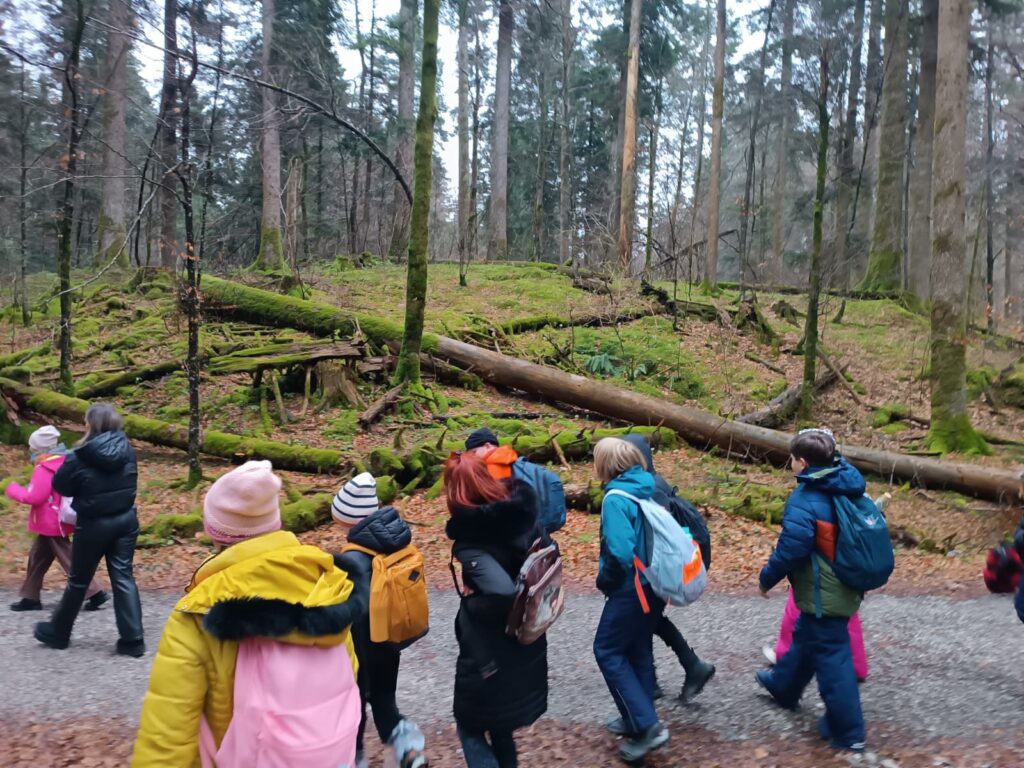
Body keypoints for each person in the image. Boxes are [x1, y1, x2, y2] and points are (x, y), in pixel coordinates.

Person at [132, 461, 367, 766]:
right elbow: (348, 673)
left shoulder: (199, 609)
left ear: (215, 533)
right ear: (274, 524)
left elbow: (167, 734)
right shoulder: (327, 583)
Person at [754, 428, 867, 752]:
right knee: (806, 635)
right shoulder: (846, 484)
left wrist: (766, 578)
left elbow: (792, 547)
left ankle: (849, 731)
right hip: (845, 582)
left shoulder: (806, 498)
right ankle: (784, 686)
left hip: (823, 591)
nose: (791, 464)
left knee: (833, 660)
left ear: (802, 463)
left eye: (792, 459)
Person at [445, 452, 548, 768]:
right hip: (526, 638)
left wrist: (471, 602)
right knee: (500, 727)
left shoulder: (471, 542)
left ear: (454, 494)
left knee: (470, 726)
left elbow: (502, 592)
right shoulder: (523, 515)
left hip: (489, 653)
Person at [332, 472, 429, 768]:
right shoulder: (392, 542)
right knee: (385, 701)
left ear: (349, 520)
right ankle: (410, 751)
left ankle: (354, 759)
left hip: (360, 648)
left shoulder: (350, 561)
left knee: (355, 709)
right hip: (388, 639)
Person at [33, 404, 144, 656]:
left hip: (94, 524)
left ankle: (58, 633)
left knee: (78, 580)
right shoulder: (127, 450)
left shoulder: (79, 455)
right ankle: (133, 640)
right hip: (126, 520)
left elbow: (62, 486)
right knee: (123, 576)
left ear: (91, 424)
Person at [620, 433, 715, 703]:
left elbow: (650, 538)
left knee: (643, 621)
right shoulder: (652, 482)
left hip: (654, 570)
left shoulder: (649, 489)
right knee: (649, 621)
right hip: (655, 569)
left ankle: (665, 677)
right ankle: (687, 667)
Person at [592, 437, 670, 764]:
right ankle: (638, 716)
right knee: (638, 648)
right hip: (654, 584)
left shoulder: (615, 498)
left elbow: (621, 552)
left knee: (607, 650)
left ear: (606, 465)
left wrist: (605, 580)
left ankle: (647, 726)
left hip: (630, 588)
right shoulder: (647, 486)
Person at [6, 425, 106, 612]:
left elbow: (35, 497)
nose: (31, 450)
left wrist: (13, 490)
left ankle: (94, 592)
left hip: (51, 521)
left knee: (68, 558)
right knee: (37, 558)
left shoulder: (44, 468)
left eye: (33, 447)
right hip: (56, 519)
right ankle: (30, 597)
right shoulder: (63, 462)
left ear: (41, 449)